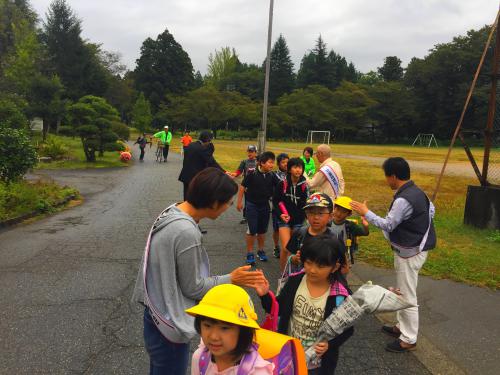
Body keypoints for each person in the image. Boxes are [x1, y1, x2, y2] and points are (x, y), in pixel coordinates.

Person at [132, 168, 266, 375]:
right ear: (213, 202)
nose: (228, 207)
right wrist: (232, 279)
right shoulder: (186, 232)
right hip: (169, 323)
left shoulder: (172, 211)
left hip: (155, 314)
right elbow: (193, 287)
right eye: (228, 202)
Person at [350, 157, 436, 353]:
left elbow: (388, 224)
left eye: (387, 176)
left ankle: (409, 338)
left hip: (410, 253)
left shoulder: (404, 198)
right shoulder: (417, 192)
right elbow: (432, 211)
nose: (386, 180)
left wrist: (366, 212)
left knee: (407, 295)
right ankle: (401, 327)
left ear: (394, 176)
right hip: (412, 249)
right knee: (402, 290)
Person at [255, 234, 354, 375]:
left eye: (321, 266)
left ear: (334, 267)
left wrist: (329, 345)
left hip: (317, 365)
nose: (312, 270)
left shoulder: (340, 296)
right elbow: (279, 309)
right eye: (308, 262)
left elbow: (347, 329)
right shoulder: (295, 281)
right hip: (288, 355)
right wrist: (264, 295)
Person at [186, 284, 274, 375]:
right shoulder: (200, 357)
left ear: (243, 331)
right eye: (207, 325)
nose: (214, 336)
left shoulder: (257, 372)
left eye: (224, 328)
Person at [236, 151, 276, 266]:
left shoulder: (272, 175)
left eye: (273, 163)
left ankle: (261, 251)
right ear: (262, 163)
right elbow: (242, 187)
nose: (272, 165)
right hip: (252, 205)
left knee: (262, 231)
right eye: (270, 162)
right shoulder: (252, 174)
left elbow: (279, 187)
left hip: (265, 205)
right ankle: (249, 253)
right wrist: (239, 202)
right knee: (252, 230)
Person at [273, 157, 309, 272]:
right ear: (289, 169)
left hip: (298, 221)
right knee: (285, 248)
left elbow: (306, 204)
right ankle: (284, 273)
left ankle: (293, 272)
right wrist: (281, 214)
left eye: (300, 167)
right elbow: (275, 201)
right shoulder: (282, 183)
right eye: (295, 167)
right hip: (284, 220)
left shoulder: (304, 186)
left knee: (295, 250)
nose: (298, 170)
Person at [179, 130, 224, 200]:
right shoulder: (202, 149)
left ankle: (185, 210)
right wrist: (224, 172)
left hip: (185, 175)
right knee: (195, 200)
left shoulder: (190, 145)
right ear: (207, 139)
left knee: (186, 198)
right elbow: (211, 162)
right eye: (210, 141)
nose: (210, 142)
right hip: (195, 178)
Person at [230, 145, 259, 225]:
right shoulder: (244, 162)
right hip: (247, 186)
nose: (249, 153)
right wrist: (233, 175)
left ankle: (257, 215)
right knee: (247, 202)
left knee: (257, 201)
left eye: (252, 152)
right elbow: (239, 171)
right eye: (248, 151)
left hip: (257, 186)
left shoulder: (259, 162)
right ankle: (245, 217)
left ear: (255, 153)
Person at [271, 153, 289, 258]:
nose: (286, 164)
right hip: (277, 206)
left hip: (289, 206)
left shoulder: (292, 174)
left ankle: (286, 247)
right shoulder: (274, 175)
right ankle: (276, 246)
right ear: (278, 164)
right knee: (276, 228)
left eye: (287, 162)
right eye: (283, 162)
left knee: (288, 228)